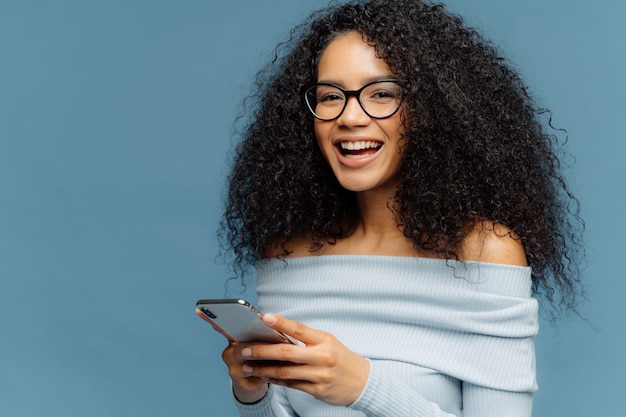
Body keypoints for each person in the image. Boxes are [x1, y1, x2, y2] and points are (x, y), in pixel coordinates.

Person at [217, 0, 584, 415]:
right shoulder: (288, 254)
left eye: (381, 94)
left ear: (434, 110)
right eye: (330, 96)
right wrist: (253, 393)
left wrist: (363, 386)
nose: (350, 116)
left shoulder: (485, 253)